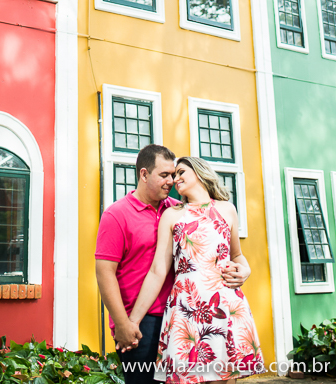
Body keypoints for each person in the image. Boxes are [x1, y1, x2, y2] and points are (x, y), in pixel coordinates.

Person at [95, 146, 251, 384]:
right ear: (144, 174)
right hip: (144, 319)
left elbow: (233, 254)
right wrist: (125, 323)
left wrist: (245, 269)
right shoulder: (117, 214)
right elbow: (105, 273)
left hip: (182, 314)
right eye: (165, 175)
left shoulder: (174, 208)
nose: (172, 180)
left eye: (175, 173)